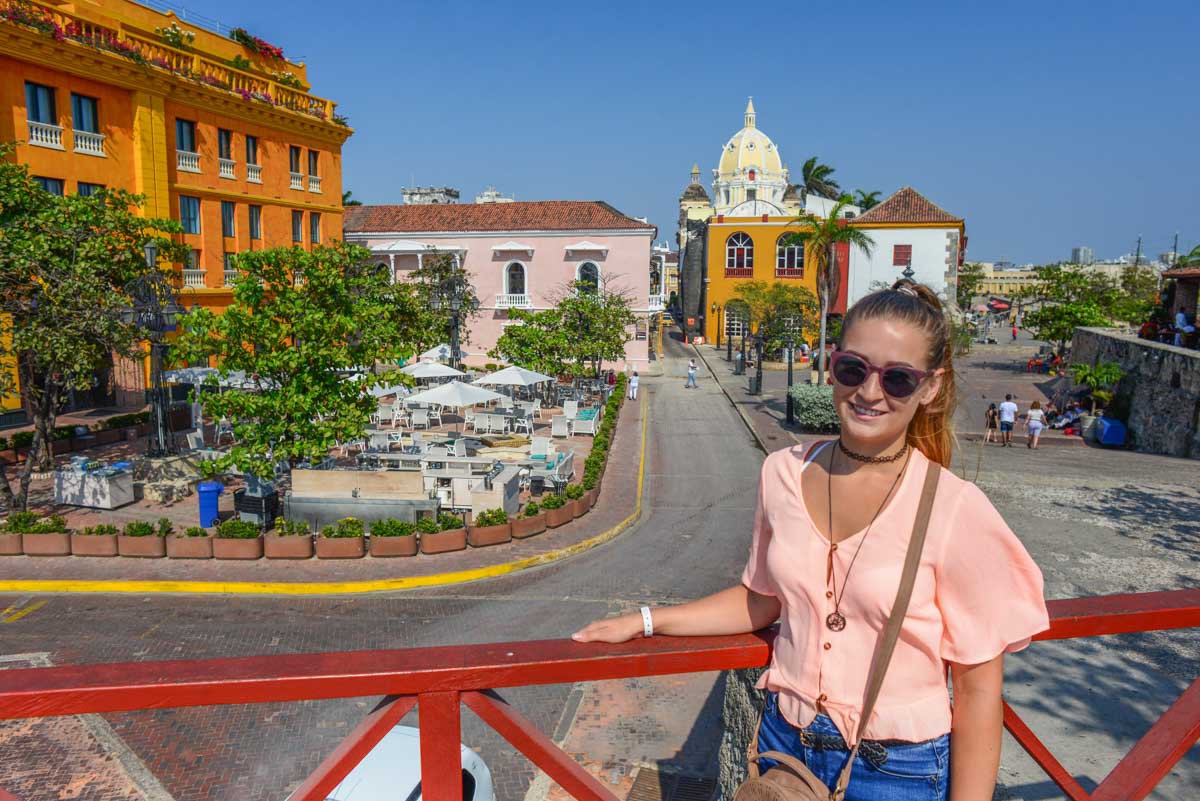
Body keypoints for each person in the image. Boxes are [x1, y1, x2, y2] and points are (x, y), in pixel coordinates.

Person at [574, 279, 1048, 801]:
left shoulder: (955, 509)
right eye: (854, 369)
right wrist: (646, 621)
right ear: (832, 364)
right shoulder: (783, 473)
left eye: (897, 379)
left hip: (896, 768)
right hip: (785, 743)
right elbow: (761, 600)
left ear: (930, 388)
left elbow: (979, 690)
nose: (869, 392)